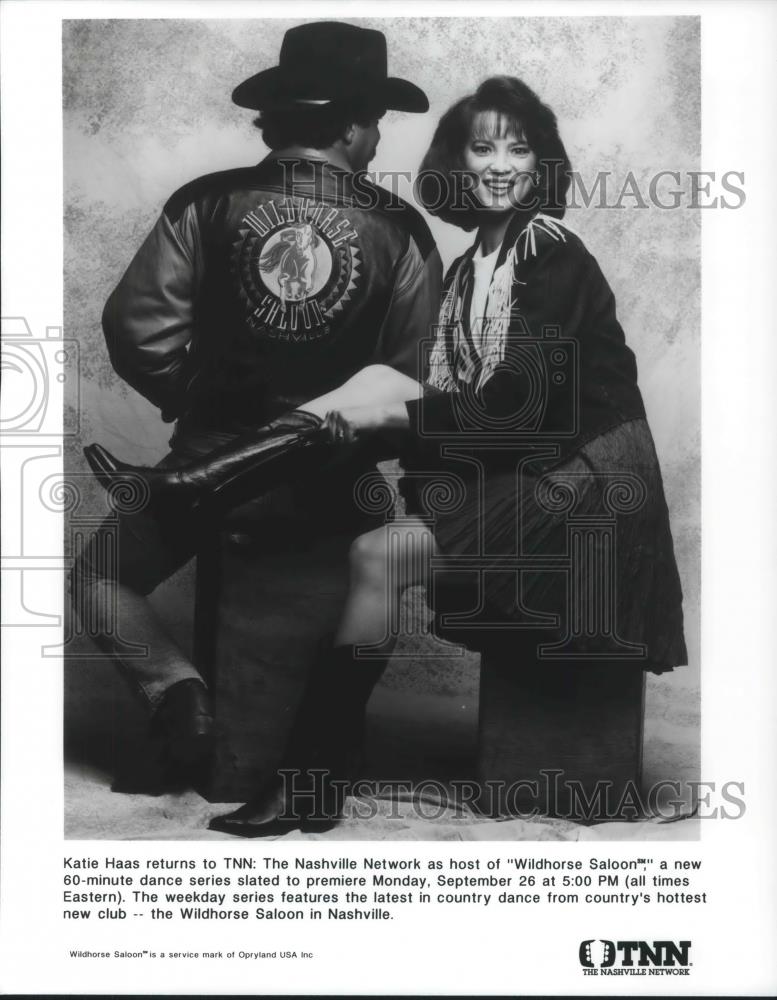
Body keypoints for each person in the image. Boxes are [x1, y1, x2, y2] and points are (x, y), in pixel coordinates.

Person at [89, 76, 687, 836]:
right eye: (482, 146)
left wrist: (389, 427)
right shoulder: (472, 262)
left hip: (586, 480)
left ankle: (308, 775)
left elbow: (524, 410)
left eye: (519, 146)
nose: (501, 162)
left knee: (379, 542)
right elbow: (447, 393)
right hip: (525, 471)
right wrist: (378, 423)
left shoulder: (548, 249)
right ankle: (311, 775)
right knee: (376, 413)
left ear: (542, 164)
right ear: (454, 162)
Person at [71, 21, 442, 784]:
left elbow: (134, 329)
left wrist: (191, 396)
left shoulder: (206, 203)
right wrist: (345, 435)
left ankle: (180, 699)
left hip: (208, 463)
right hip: (338, 486)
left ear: (276, 117)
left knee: (99, 578)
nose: (376, 140)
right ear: (348, 123)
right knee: (376, 584)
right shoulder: (403, 231)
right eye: (374, 121)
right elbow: (408, 376)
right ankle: (320, 757)